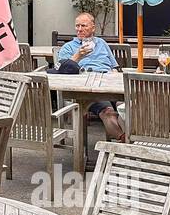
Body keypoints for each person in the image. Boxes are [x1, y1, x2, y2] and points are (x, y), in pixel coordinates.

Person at [52, 12, 125, 141]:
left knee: (126, 107)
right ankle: (125, 140)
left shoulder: (101, 43)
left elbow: (114, 67)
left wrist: (116, 78)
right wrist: (78, 55)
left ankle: (131, 140)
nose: (79, 29)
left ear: (93, 27)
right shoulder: (68, 47)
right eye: (77, 26)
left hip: (108, 82)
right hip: (87, 87)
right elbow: (61, 69)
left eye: (83, 26)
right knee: (108, 112)